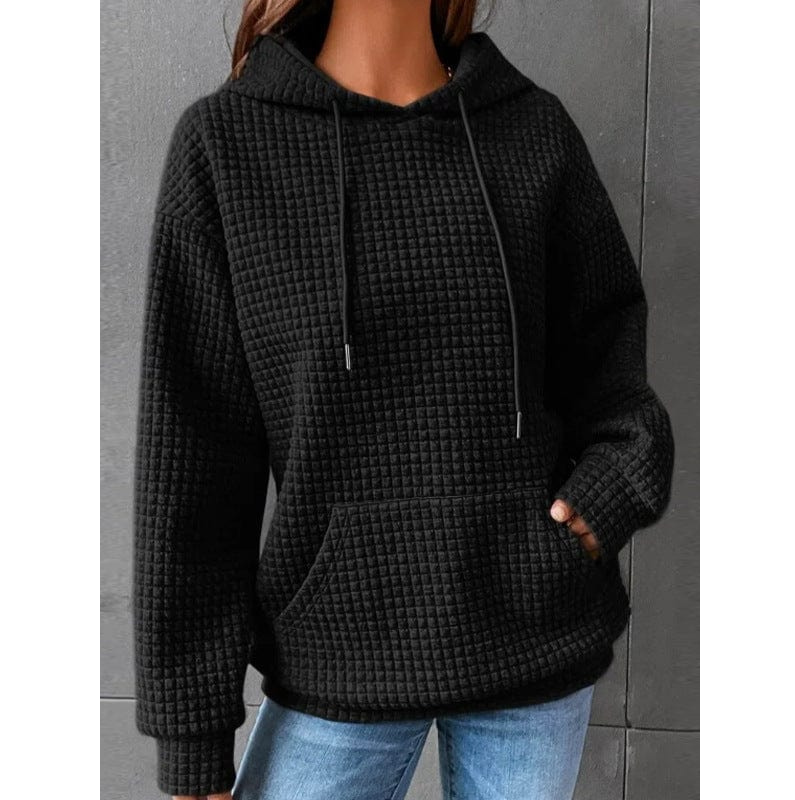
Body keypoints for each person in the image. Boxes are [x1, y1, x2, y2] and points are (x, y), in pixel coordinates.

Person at [131, 1, 675, 798]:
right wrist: (191, 737)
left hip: (531, 632)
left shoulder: (531, 130)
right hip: (337, 652)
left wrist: (614, 486)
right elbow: (192, 462)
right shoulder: (228, 147)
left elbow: (610, 356)